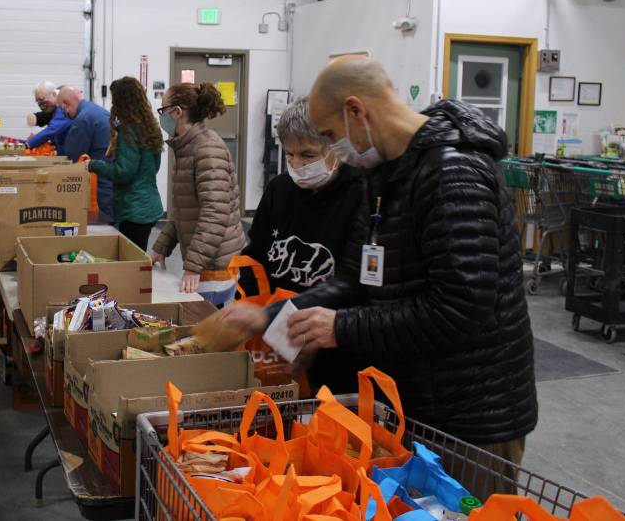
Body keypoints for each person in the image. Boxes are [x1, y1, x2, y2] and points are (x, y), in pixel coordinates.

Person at [224, 56, 538, 473]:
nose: (335, 149)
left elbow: (461, 310)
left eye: (332, 135)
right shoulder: (389, 176)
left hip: (470, 417)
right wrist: (271, 318)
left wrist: (340, 328)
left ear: (357, 111)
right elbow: (356, 277)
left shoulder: (453, 173)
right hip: (414, 403)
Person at [236, 98, 365, 394]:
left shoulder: (360, 195)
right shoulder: (280, 190)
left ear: (336, 148)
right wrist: (251, 309)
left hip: (333, 348)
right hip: (276, 338)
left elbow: (355, 285)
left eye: (308, 155)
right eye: (289, 154)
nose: (296, 165)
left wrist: (319, 335)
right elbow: (255, 257)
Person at [151, 82, 245, 305]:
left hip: (214, 267)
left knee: (204, 331)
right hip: (205, 261)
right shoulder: (188, 147)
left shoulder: (206, 149)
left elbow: (215, 215)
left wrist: (194, 267)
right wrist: (161, 247)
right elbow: (185, 210)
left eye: (162, 110)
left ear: (177, 112)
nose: (161, 117)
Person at [88, 77, 164, 251]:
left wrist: (94, 165)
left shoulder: (129, 130)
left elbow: (124, 172)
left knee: (132, 264)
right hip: (148, 205)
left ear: (121, 102)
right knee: (138, 258)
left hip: (134, 209)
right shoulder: (150, 126)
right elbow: (154, 166)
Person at [57, 86, 114, 220]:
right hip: (111, 180)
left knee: (101, 230)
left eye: (61, 108)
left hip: (99, 187)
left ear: (65, 105)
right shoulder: (99, 111)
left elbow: (73, 159)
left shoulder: (82, 120)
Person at [26, 81, 71, 154]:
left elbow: (51, 130)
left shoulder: (63, 109)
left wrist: (27, 144)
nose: (40, 104)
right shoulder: (55, 110)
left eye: (42, 100)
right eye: (38, 101)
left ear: (54, 95)